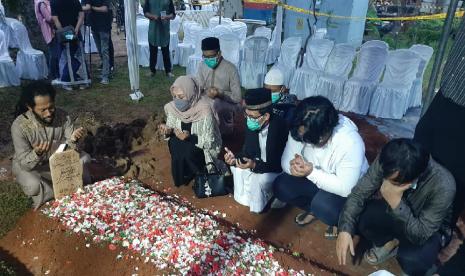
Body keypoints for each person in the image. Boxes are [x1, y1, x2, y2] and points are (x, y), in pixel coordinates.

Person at [336, 139, 456, 276]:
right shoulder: (390, 158)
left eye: (392, 182)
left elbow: (421, 235)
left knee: (413, 259)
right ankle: (389, 242)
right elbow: (358, 194)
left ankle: (411, 258)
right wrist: (345, 230)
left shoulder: (444, 184)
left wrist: (396, 202)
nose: (385, 182)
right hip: (396, 212)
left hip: (428, 230)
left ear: (411, 180)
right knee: (360, 219)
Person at [272, 96, 368, 239]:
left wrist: (311, 172)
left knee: (325, 207)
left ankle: (337, 220)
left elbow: (346, 188)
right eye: (301, 136)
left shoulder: (350, 142)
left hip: (344, 188)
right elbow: (286, 160)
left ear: (323, 136)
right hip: (314, 175)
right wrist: (293, 167)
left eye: (307, 140)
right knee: (281, 186)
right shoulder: (300, 128)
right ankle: (312, 209)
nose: (302, 141)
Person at [11, 81, 91, 210]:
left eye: (51, 107)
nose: (48, 113)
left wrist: (74, 140)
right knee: (33, 185)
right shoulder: (19, 126)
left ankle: (62, 184)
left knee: (85, 159)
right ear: (30, 107)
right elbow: (25, 163)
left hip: (58, 158)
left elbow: (73, 150)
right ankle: (52, 189)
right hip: (33, 166)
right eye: (42, 110)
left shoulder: (63, 116)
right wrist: (37, 153)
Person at [224, 88, 288, 213]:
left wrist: (254, 165)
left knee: (259, 179)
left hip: (276, 168)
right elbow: (247, 151)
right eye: (246, 114)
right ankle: (251, 199)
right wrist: (234, 158)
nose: (248, 119)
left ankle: (274, 196)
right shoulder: (252, 123)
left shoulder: (279, 128)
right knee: (238, 168)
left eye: (252, 116)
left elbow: (278, 164)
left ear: (266, 116)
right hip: (258, 163)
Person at [159, 75, 223, 187]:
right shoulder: (173, 108)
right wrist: (167, 130)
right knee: (174, 142)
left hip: (202, 145)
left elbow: (209, 141)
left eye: (181, 96)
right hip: (183, 141)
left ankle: (199, 172)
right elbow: (171, 127)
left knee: (187, 149)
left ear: (191, 94)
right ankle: (181, 176)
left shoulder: (204, 109)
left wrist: (190, 137)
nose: (177, 100)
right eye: (174, 96)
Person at [196, 37, 242, 136]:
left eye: (211, 56)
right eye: (205, 57)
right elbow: (199, 87)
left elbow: (237, 98)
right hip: (208, 101)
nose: (208, 60)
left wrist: (220, 93)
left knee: (216, 104)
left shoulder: (231, 69)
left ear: (219, 53)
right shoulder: (202, 66)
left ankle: (226, 129)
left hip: (228, 103)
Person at [51, 0, 86, 90]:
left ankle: (67, 81)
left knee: (65, 57)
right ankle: (83, 78)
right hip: (75, 32)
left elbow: (55, 19)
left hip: (64, 33)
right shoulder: (75, 1)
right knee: (78, 55)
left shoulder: (54, 2)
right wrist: (76, 30)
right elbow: (81, 16)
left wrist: (63, 32)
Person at [82, 0, 113, 84]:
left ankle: (105, 76)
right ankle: (106, 71)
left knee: (104, 51)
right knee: (100, 51)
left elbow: (105, 9)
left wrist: (92, 7)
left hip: (104, 26)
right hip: (94, 26)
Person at [143, 0, 175, 78]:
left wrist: (167, 17)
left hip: (164, 27)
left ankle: (168, 71)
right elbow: (145, 12)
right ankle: (152, 70)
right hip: (153, 28)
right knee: (153, 50)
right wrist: (153, 16)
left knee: (165, 50)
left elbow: (173, 14)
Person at [34, 0, 60, 81]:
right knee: (54, 54)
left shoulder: (48, 2)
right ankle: (53, 75)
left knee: (55, 53)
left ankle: (56, 74)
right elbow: (48, 18)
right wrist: (59, 15)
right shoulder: (41, 3)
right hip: (49, 31)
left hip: (53, 30)